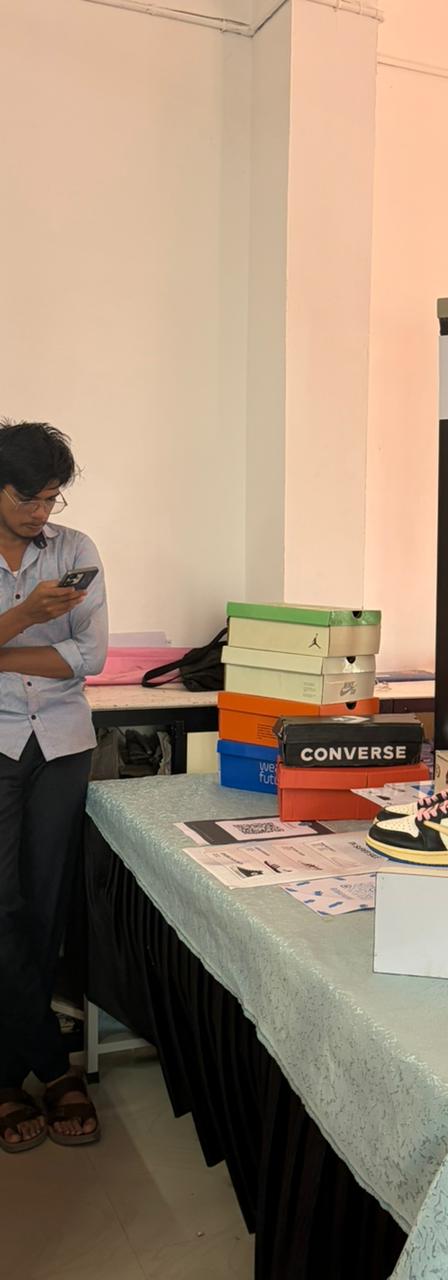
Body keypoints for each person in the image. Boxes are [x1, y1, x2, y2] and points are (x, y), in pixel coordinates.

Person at [0, 421, 108, 1152]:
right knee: (2, 904)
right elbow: (61, 650)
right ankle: (46, 1061)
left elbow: (91, 656)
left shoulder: (76, 550)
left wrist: (3, 652)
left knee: (45, 904)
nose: (43, 512)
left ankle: (12, 1073)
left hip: (63, 744)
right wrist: (25, 618)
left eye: (52, 498)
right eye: (29, 499)